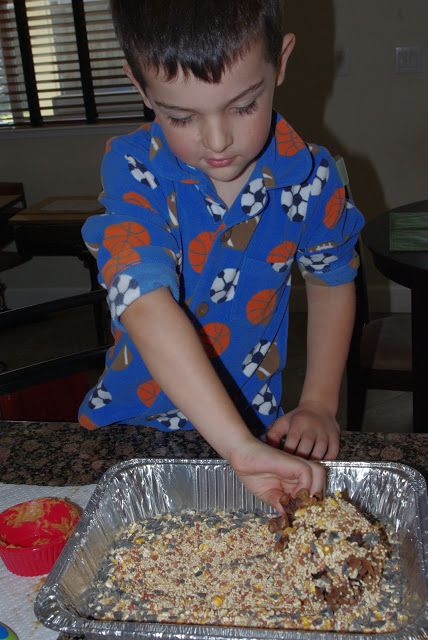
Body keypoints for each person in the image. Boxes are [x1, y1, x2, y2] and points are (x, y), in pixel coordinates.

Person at [78, 0, 364, 511]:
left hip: (255, 427)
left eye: (244, 105)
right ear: (140, 86)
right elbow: (142, 300)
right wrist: (238, 450)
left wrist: (319, 402)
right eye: (180, 116)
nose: (217, 140)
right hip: (134, 429)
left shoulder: (315, 179)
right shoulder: (133, 170)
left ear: (281, 62)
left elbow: (331, 280)